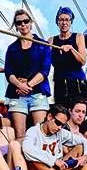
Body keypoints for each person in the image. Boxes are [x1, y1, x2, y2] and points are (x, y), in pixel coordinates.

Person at [4, 10, 52, 141]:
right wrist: (20, 85)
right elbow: (8, 71)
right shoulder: (12, 48)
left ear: (31, 23)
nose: (23, 24)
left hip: (37, 91)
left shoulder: (44, 45)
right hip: (17, 92)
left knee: (41, 133)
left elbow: (45, 70)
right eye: (19, 23)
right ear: (16, 26)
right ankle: (20, 161)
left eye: (25, 21)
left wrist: (28, 86)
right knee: (20, 134)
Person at [48, 7, 87, 107]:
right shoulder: (52, 41)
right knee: (61, 115)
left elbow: (83, 61)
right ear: (57, 22)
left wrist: (71, 49)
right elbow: (45, 62)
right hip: (60, 84)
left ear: (71, 22)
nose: (64, 23)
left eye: (67, 20)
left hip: (77, 83)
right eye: (61, 20)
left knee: (78, 115)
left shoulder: (78, 37)